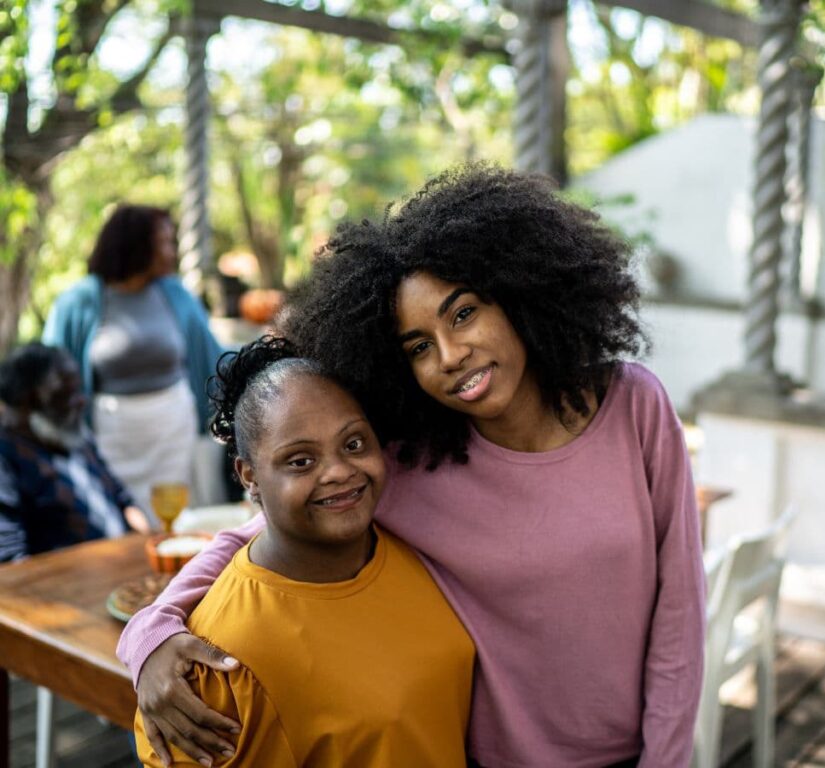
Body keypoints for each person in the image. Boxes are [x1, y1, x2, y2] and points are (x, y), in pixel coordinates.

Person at [119, 166, 706, 768]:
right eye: (419, 347)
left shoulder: (633, 405)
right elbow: (249, 538)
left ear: (517, 295)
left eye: (464, 314)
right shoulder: (411, 461)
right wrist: (150, 633)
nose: (451, 355)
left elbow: (680, 608)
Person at [133, 336, 474, 767]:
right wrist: (148, 634)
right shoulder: (220, 659)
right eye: (300, 461)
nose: (339, 472)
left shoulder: (408, 540)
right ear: (249, 476)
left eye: (354, 444)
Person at [43, 204, 224, 523]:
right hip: (113, 435)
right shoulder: (79, 302)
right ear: (137, 246)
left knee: (178, 517)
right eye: (164, 243)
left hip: (173, 430)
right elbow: (50, 371)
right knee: (120, 518)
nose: (172, 252)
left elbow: (213, 356)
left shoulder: (176, 294)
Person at [0, 343, 149, 561]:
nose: (80, 401)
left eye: (78, 390)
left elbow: (120, 497)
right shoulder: (6, 455)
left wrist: (146, 541)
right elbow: (10, 558)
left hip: (123, 563)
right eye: (65, 394)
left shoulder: (71, 431)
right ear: (27, 401)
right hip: (67, 578)